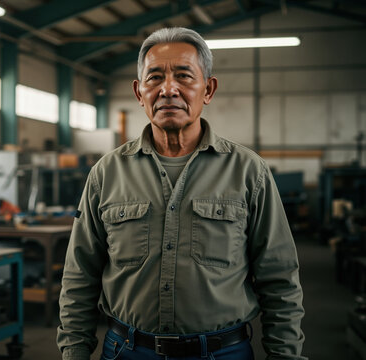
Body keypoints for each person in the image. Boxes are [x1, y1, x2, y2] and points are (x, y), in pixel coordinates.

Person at [57, 27, 305, 360]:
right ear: (138, 92)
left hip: (223, 352)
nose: (168, 89)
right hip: (127, 351)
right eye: (154, 78)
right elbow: (79, 276)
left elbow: (280, 279)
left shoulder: (248, 172)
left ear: (208, 89)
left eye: (184, 77)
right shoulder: (107, 173)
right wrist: (73, 352)